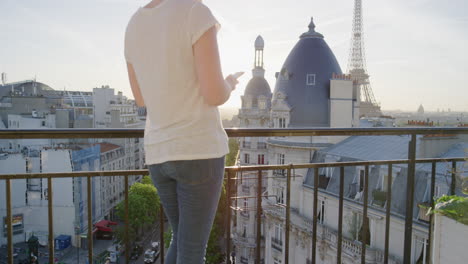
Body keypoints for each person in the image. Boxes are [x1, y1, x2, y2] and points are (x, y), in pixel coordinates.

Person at [124, 0, 242, 263]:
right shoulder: (194, 11)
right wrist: (230, 83)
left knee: (181, 240)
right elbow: (214, 93)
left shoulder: (134, 24)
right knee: (191, 250)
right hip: (197, 149)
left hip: (158, 153)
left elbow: (141, 99)